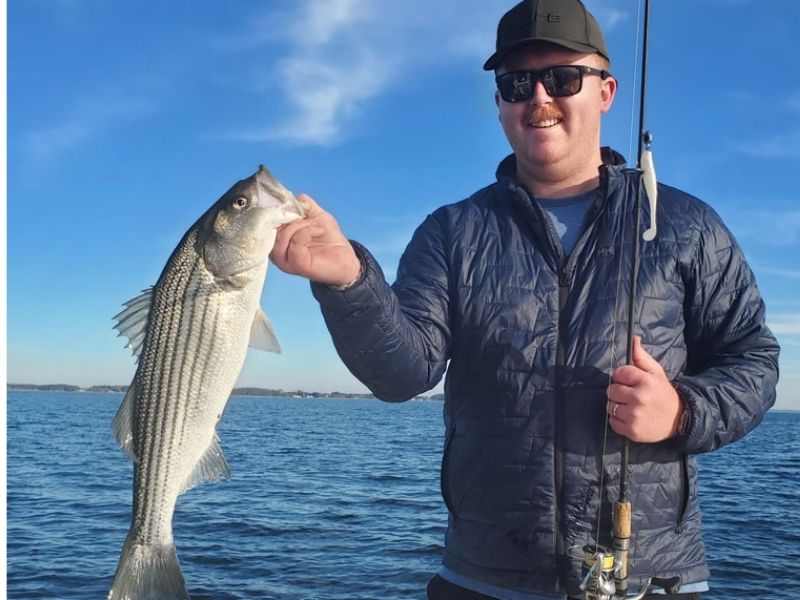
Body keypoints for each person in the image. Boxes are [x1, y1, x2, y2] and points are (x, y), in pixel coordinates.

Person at [270, 1, 780, 598]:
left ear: (606, 91)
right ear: (500, 102)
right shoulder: (452, 231)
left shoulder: (685, 225)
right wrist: (347, 281)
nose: (538, 97)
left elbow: (754, 363)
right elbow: (402, 372)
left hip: (652, 576)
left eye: (562, 78)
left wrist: (682, 411)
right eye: (517, 83)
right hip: (483, 576)